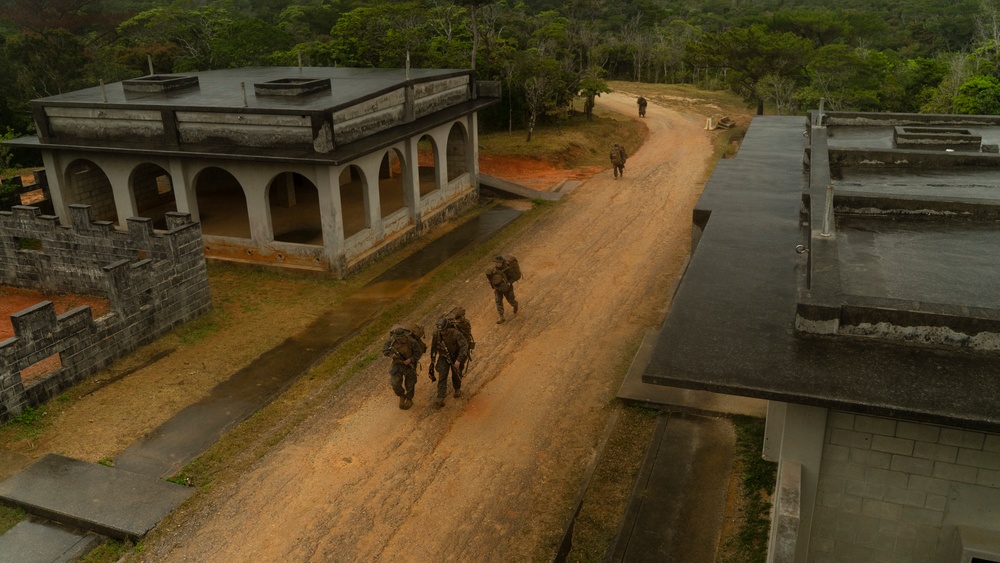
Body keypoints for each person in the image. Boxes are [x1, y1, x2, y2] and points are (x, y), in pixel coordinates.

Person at [382, 325, 426, 410]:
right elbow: (385, 351)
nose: (402, 340)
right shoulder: (391, 342)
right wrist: (392, 355)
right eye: (399, 339)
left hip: (409, 365)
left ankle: (409, 398)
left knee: (410, 383)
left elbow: (418, 353)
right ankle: (402, 395)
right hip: (397, 364)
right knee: (395, 383)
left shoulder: (412, 342)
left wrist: (411, 359)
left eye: (403, 338)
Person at [429, 316, 469, 408]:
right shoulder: (436, 334)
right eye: (441, 331)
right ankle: (440, 397)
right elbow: (433, 348)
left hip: (456, 355)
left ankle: (457, 388)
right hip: (444, 356)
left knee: (456, 373)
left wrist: (458, 360)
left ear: (448, 328)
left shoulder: (456, 334)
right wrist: (432, 361)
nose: (443, 332)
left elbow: (464, 347)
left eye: (444, 330)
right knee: (442, 375)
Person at [486, 255, 518, 324]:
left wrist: (509, 283)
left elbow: (514, 277)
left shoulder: (508, 269)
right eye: (496, 262)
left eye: (498, 262)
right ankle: (501, 316)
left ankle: (515, 304)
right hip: (498, 288)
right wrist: (489, 281)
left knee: (511, 300)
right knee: (498, 301)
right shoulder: (494, 270)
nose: (496, 264)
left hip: (507, 288)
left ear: (502, 262)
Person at [448, 306, 475, 374]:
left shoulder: (463, 323)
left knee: (462, 360)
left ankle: (459, 372)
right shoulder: (457, 322)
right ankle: (458, 372)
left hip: (464, 343)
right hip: (458, 343)